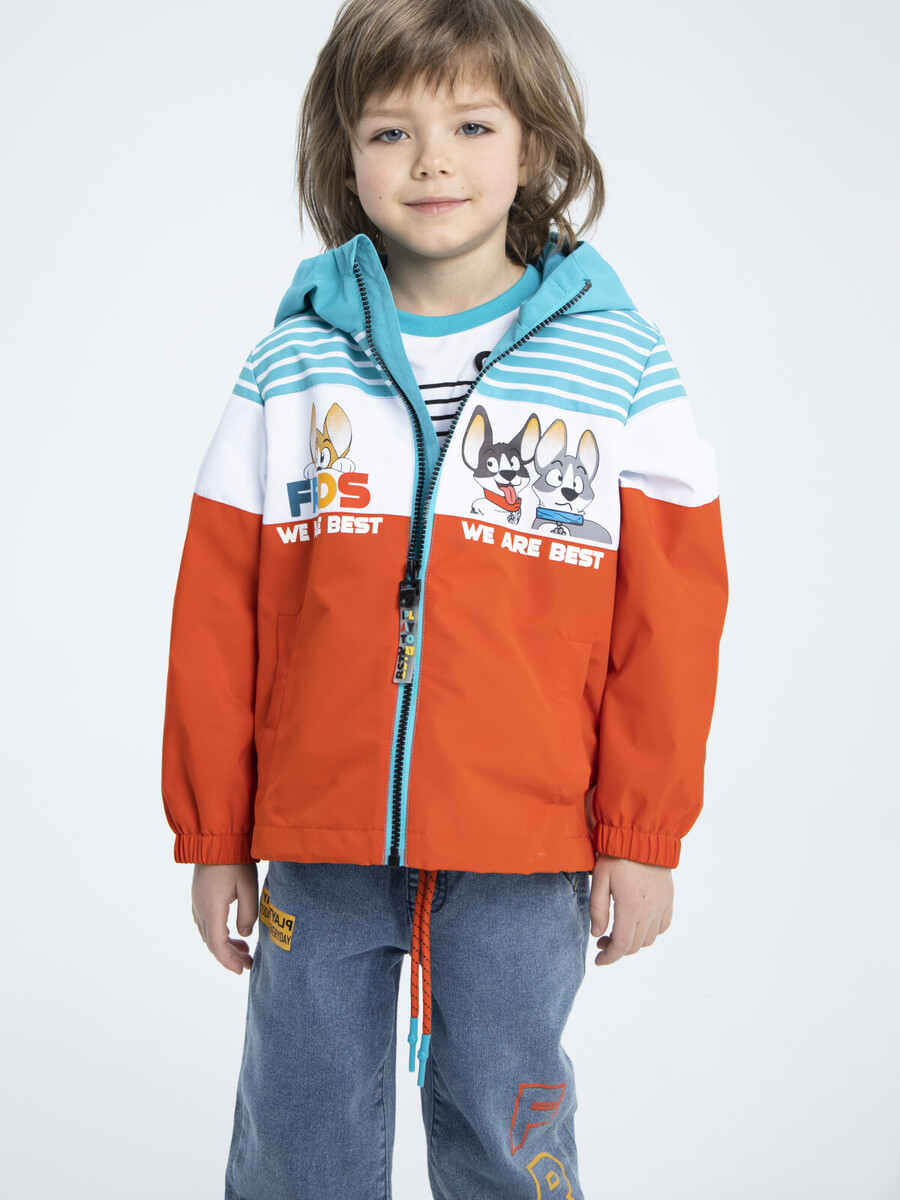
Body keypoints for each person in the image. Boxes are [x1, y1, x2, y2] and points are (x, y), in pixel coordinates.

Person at [161, 0, 728, 1195]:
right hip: (318, 834)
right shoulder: (290, 366)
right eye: (390, 132)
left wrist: (642, 833)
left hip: (528, 839)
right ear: (343, 158)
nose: (432, 162)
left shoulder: (620, 363)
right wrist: (216, 836)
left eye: (472, 126)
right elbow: (218, 616)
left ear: (534, 148)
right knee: (299, 1123)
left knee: (509, 1121)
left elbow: (670, 623)